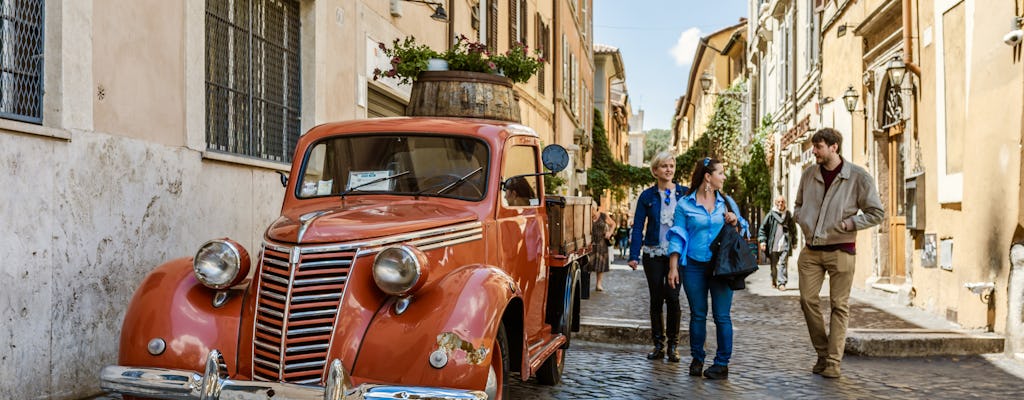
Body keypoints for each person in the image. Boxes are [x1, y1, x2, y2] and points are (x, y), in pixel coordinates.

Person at [794, 128, 884, 379]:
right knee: (807, 301)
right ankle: (823, 353)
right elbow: (798, 204)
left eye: (818, 147)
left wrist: (850, 224)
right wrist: (802, 219)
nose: (814, 152)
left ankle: (833, 362)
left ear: (834, 147)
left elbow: (877, 213)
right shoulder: (808, 174)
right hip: (811, 251)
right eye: (814, 147)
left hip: (841, 250)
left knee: (839, 306)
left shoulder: (858, 177)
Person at [667, 157, 747, 380]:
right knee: (698, 315)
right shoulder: (685, 205)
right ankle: (697, 358)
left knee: (722, 316)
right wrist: (673, 267)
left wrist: (734, 220)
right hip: (693, 266)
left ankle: (722, 363)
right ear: (708, 177)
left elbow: (742, 228)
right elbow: (677, 237)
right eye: (720, 173)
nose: (724, 177)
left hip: (722, 268)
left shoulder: (727, 202)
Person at [628, 151, 687, 362]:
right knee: (656, 299)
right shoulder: (647, 196)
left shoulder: (684, 194)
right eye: (664, 166)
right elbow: (637, 228)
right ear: (655, 170)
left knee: (673, 297)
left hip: (676, 254)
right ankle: (658, 345)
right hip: (652, 253)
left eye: (671, 165)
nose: (669, 169)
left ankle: (673, 346)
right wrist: (633, 254)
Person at [758, 195, 796, 291]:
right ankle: (774, 280)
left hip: (785, 243)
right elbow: (762, 228)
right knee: (773, 265)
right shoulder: (771, 215)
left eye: (782, 202)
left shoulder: (788, 215)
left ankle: (781, 283)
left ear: (785, 203)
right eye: (778, 202)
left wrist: (794, 242)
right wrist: (762, 241)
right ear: (775, 203)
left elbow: (793, 229)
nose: (780, 204)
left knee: (783, 263)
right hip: (773, 244)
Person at [588, 204, 616, 291]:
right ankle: (586, 284)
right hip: (590, 243)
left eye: (592, 209)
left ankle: (598, 284)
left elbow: (613, 224)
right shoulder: (586, 216)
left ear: (595, 208)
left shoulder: (603, 216)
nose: (591, 212)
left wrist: (609, 233)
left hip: (601, 242)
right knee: (588, 264)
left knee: (600, 264)